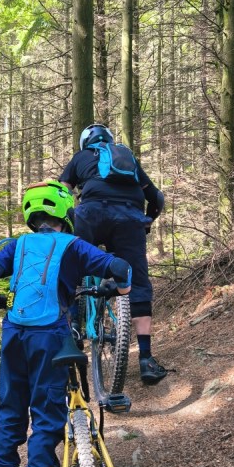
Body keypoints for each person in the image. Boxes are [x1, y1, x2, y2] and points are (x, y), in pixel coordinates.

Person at [0, 180, 132, 467]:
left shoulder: (15, 246)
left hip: (13, 332)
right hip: (50, 334)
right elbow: (121, 269)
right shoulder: (73, 245)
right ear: (66, 212)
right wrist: (120, 290)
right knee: (47, 412)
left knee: (11, 406)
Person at [59, 123, 167, 409]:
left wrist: (67, 222)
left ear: (85, 143)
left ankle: (70, 333)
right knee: (138, 283)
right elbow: (156, 198)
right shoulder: (127, 158)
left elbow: (60, 193)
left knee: (72, 267)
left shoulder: (80, 158)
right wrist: (146, 222)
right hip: (129, 219)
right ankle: (146, 359)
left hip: (90, 215)